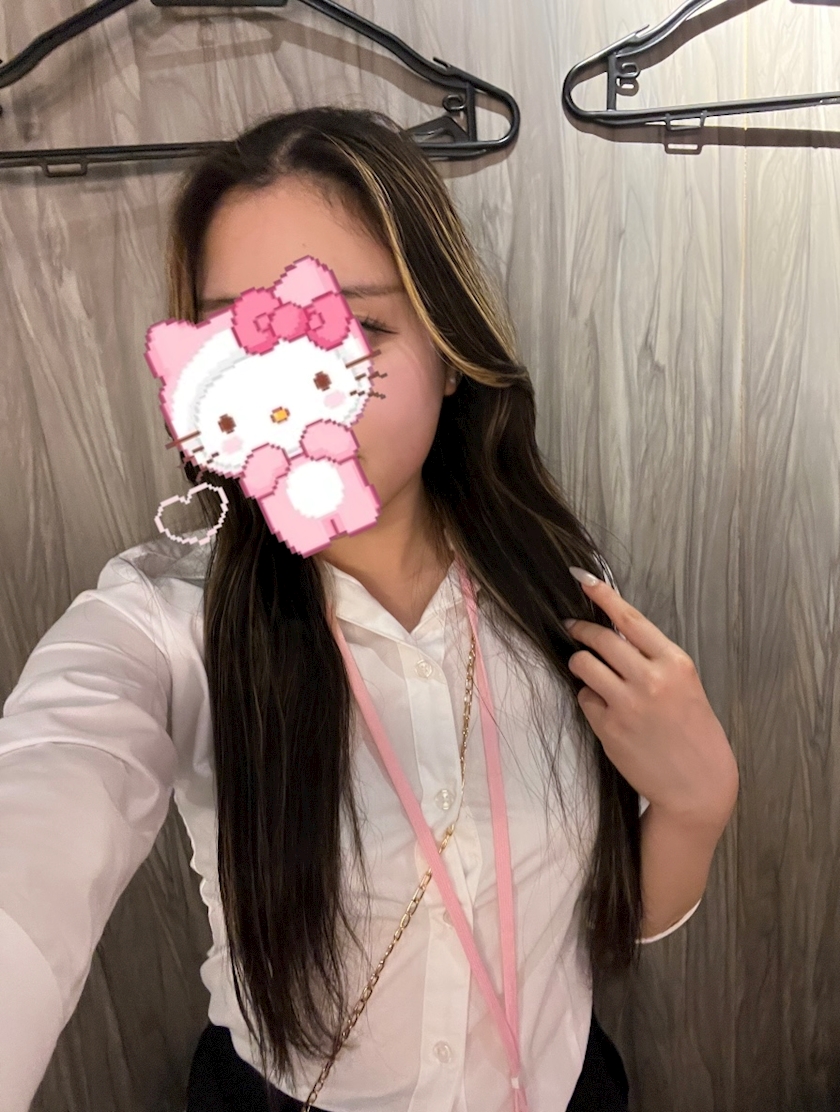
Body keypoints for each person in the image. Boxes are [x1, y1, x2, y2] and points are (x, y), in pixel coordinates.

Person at [0, 107, 739, 1112]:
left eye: (356, 329)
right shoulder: (163, 627)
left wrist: (697, 803)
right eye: (238, 344)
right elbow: (38, 822)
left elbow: (609, 921)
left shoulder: (557, 588)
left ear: (450, 347)